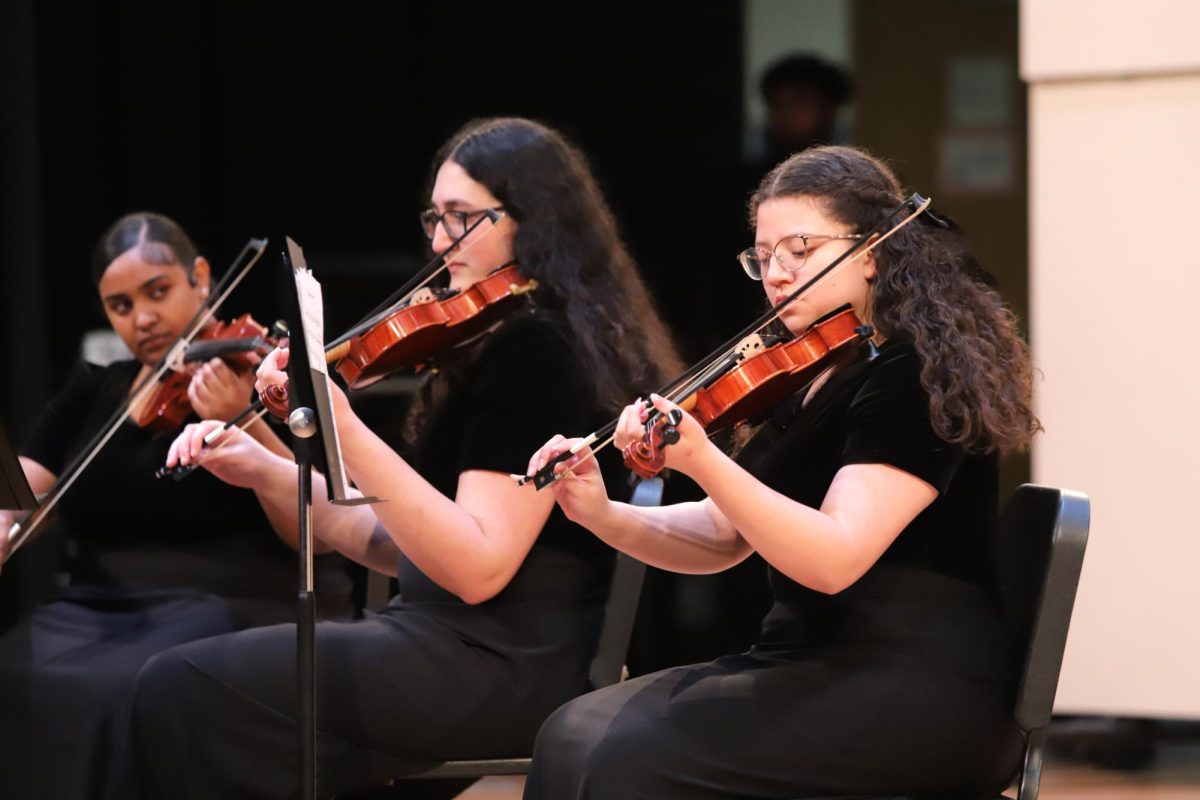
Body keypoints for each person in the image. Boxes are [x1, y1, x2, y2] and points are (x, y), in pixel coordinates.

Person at [114, 117, 681, 799]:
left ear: (533, 220)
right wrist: (264, 464)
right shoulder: (492, 342)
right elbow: (397, 544)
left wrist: (342, 423)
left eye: (463, 219)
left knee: (180, 686)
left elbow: (476, 568)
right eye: (435, 219)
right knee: (185, 685)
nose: (441, 243)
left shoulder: (540, 353)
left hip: (506, 660)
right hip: (450, 640)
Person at [525, 145, 1041, 799]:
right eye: (763, 255)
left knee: (626, 756)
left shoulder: (912, 376)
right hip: (810, 658)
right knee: (570, 734)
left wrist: (704, 460)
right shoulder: (807, 373)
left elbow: (835, 558)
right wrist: (602, 512)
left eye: (800, 248)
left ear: (872, 251)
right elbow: (722, 535)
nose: (776, 272)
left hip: (917, 682)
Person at [0, 212, 353, 800]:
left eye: (157, 292)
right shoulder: (94, 390)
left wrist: (249, 420)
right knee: (10, 668)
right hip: (99, 607)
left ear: (202, 277)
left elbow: (312, 533)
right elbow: (18, 502)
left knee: (120, 687)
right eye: (119, 306)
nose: (141, 318)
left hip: (234, 604)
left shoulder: (265, 377)